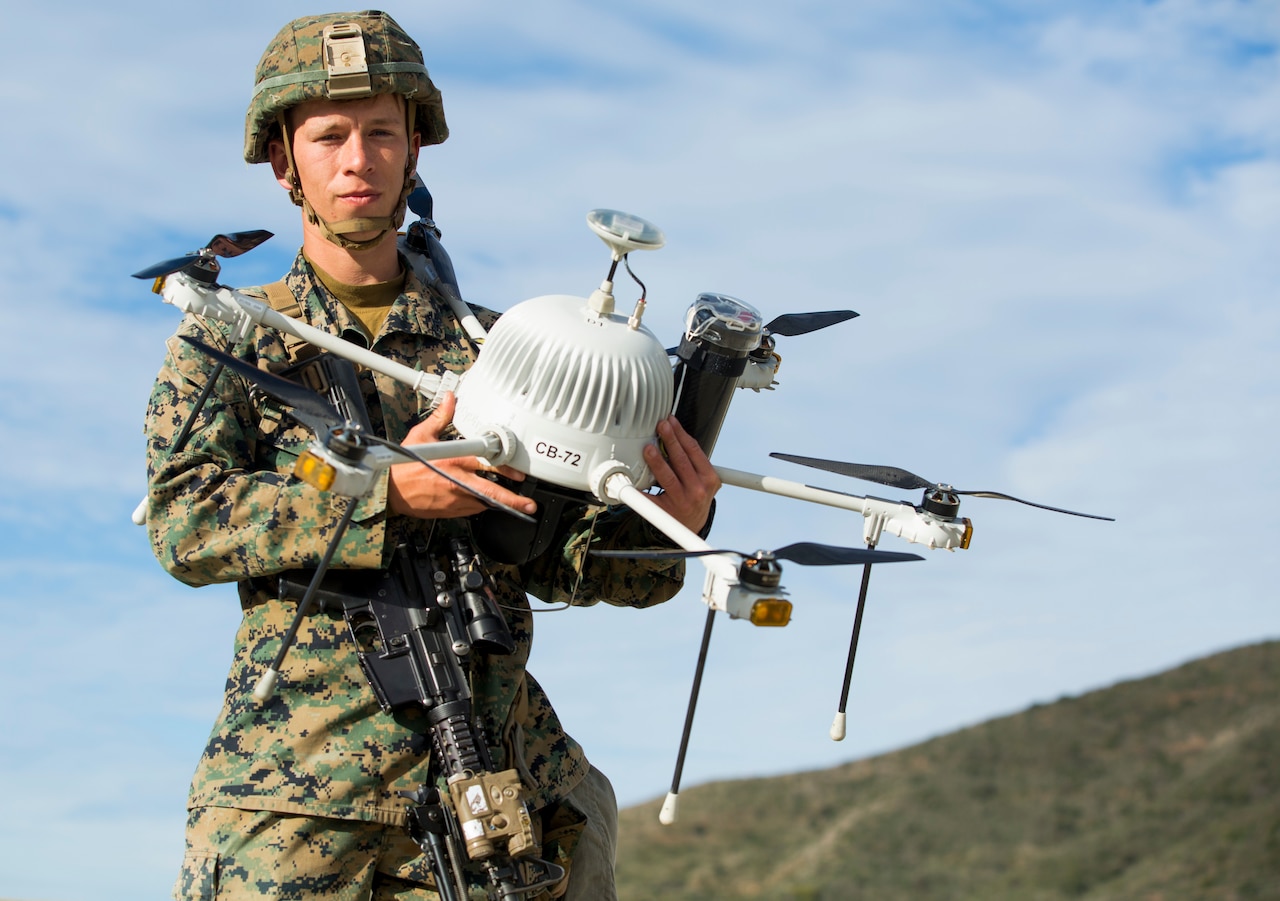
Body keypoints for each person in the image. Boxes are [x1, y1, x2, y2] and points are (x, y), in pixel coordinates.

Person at [143, 11, 720, 900]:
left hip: (497, 794)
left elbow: (573, 563)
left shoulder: (503, 347)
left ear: (415, 150)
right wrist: (385, 495)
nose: (357, 159)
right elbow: (187, 525)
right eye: (330, 136)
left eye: (382, 133)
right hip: (299, 808)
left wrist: (672, 527)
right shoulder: (235, 341)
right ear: (283, 162)